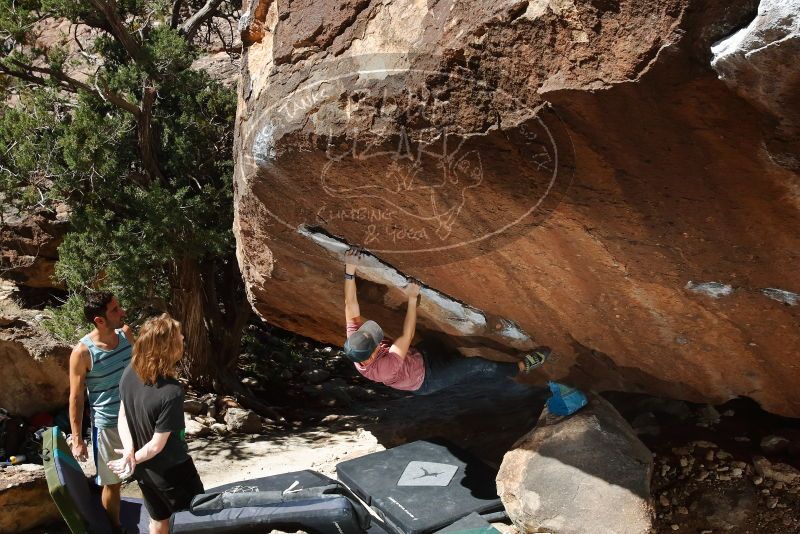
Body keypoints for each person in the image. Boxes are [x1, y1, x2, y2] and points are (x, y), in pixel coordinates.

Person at [343, 249, 550, 395]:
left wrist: (349, 270)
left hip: (420, 356)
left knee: (438, 345)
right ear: (370, 358)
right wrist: (413, 299)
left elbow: (350, 306)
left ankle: (458, 368)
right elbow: (407, 335)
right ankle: (523, 366)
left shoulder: (356, 343)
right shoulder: (383, 368)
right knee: (475, 365)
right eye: (375, 344)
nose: (378, 341)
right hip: (426, 380)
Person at [108, 313, 203, 534]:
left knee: (158, 521)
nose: (183, 339)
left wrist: (131, 454)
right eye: (179, 337)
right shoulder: (171, 392)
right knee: (197, 523)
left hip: (145, 472)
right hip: (173, 473)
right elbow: (156, 446)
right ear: (167, 347)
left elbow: (122, 416)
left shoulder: (130, 371)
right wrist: (129, 461)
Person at [68, 291, 133, 530]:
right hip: (107, 426)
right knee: (112, 483)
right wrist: (77, 440)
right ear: (99, 320)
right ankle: (115, 528)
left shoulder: (125, 334)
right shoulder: (82, 353)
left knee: (149, 473)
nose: (122, 312)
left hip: (137, 419)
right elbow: (76, 398)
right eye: (115, 310)